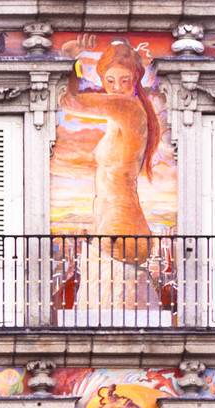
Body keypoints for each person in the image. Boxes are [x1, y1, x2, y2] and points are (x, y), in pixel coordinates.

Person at [61, 38, 164, 313]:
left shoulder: (128, 109)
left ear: (136, 80)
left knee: (109, 327)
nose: (117, 88)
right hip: (119, 227)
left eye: (125, 81)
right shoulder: (122, 113)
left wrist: (71, 59)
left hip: (121, 227)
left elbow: (69, 100)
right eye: (111, 81)